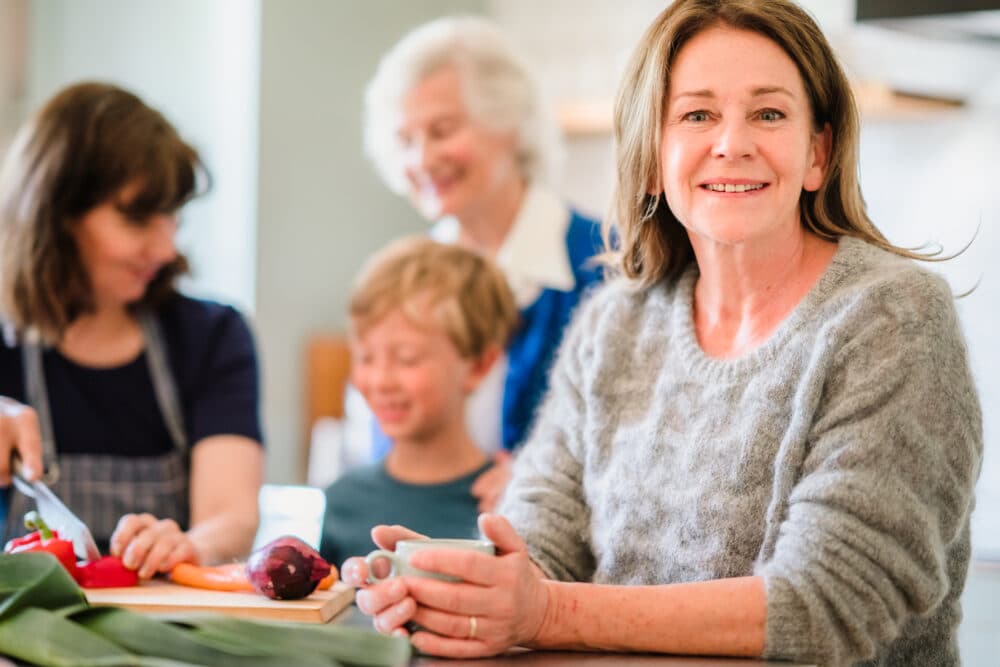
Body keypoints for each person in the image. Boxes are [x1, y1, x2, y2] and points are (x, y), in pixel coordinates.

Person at [340, 1, 983, 664]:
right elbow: (539, 543)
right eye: (697, 114)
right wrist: (452, 588)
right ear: (651, 158)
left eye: (768, 113)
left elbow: (827, 604)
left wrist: (545, 609)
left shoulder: (892, 317)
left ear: (817, 153)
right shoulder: (611, 325)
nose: (732, 143)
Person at [0, 82, 264, 578]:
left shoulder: (213, 336)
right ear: (56, 214)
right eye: (138, 218)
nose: (165, 249)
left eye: (172, 218)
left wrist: (191, 545)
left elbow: (231, 515)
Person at [363, 16, 603, 511]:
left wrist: (542, 482)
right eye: (405, 140)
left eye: (442, 130)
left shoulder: (610, 265)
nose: (422, 159)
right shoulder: (405, 283)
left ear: (510, 126)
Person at [318, 237, 518, 566]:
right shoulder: (340, 500)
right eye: (366, 358)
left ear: (479, 365)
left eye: (407, 359)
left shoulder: (504, 505)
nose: (381, 380)